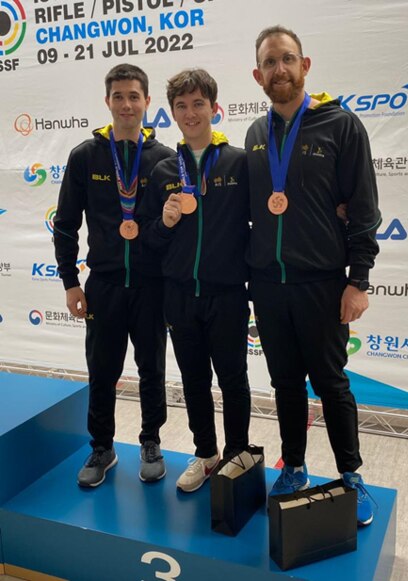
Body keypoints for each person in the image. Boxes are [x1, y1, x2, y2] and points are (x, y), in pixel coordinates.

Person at [245, 26, 382, 526]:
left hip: (324, 283)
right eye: (269, 62)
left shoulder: (342, 126)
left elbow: (364, 208)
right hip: (268, 285)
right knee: (284, 384)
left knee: (331, 383)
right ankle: (296, 467)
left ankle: (350, 475)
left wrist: (358, 280)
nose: (279, 69)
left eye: (288, 59)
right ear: (257, 75)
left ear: (306, 65)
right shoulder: (255, 134)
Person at [53, 63, 173, 488]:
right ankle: (102, 447)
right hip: (102, 284)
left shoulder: (164, 159)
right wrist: (70, 281)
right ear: (107, 102)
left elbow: (174, 229)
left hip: (150, 285)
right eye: (118, 96)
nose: (126, 104)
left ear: (146, 102)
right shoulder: (85, 156)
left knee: (152, 369)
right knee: (102, 370)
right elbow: (66, 223)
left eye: (134, 96)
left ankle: (151, 440)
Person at [142, 68, 251, 492]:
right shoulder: (164, 168)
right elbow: (150, 238)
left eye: (198, 104)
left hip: (226, 295)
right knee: (194, 382)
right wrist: (166, 223)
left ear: (214, 108)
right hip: (181, 295)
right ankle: (206, 454)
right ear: (172, 113)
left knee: (233, 379)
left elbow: (261, 220)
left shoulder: (240, 162)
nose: (190, 113)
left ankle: (237, 456)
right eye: (182, 106)